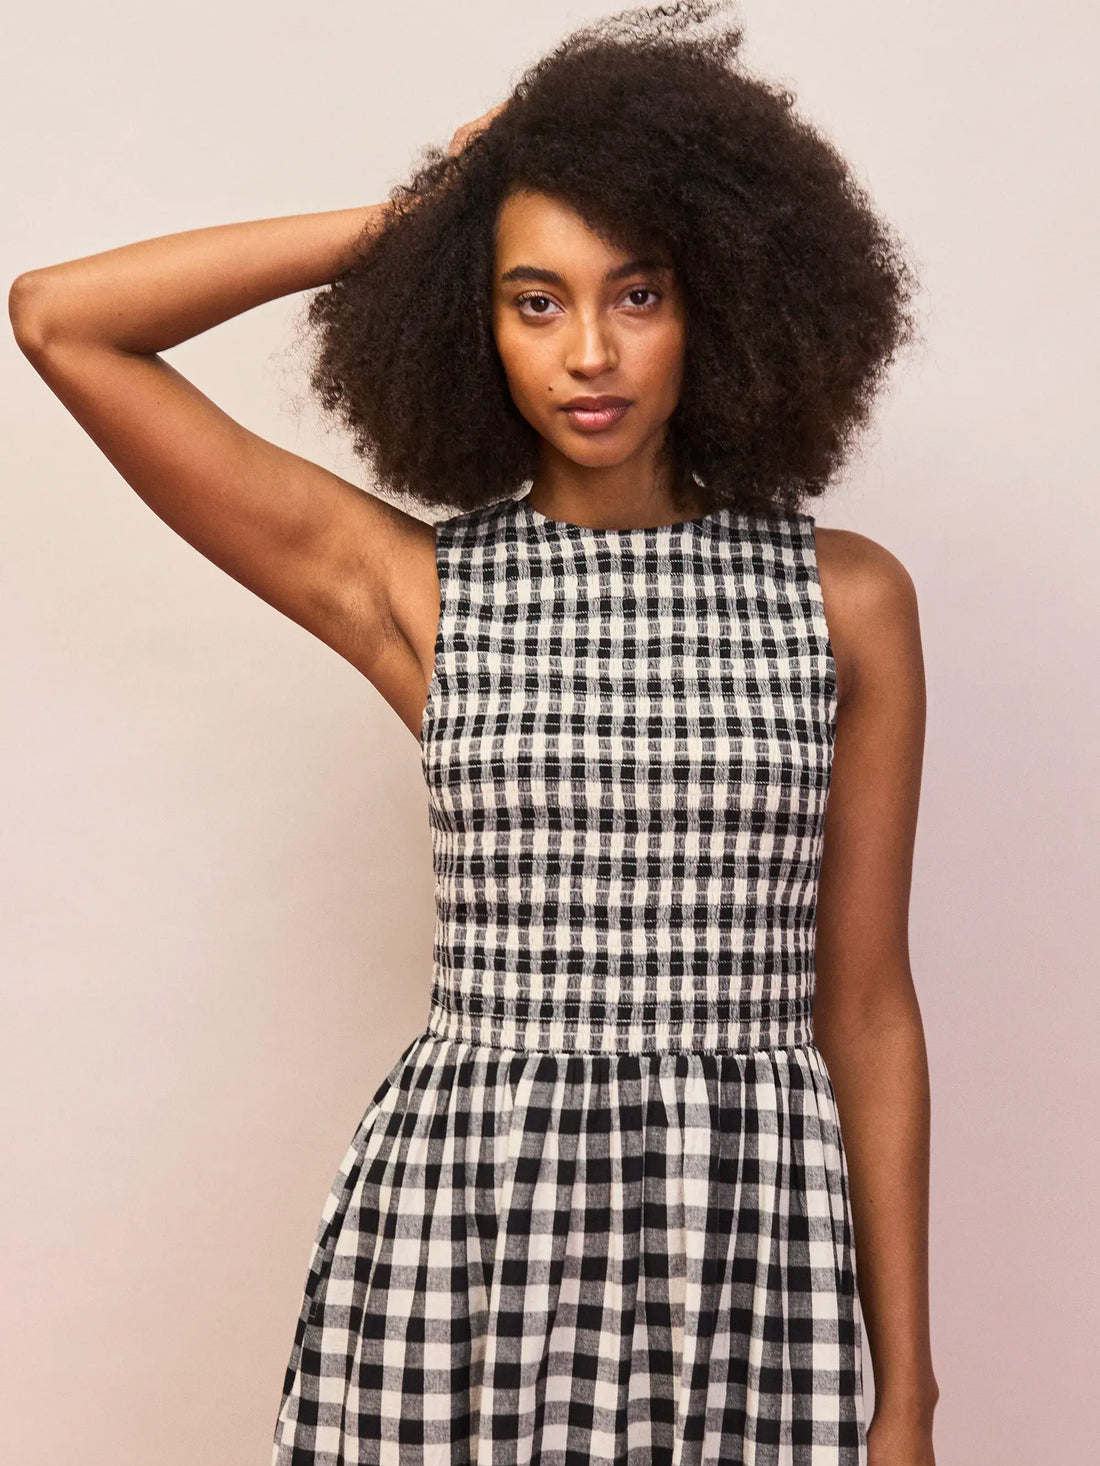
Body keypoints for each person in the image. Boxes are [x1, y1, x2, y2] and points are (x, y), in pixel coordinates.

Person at [9, 3, 938, 1462]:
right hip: (469, 1243)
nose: (589, 352)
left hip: (748, 1255)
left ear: (723, 301)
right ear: (476, 321)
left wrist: (910, 1394)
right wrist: (420, 220)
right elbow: (62, 319)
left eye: (638, 294)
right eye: (533, 299)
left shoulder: (848, 601)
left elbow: (867, 1009)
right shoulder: (424, 592)